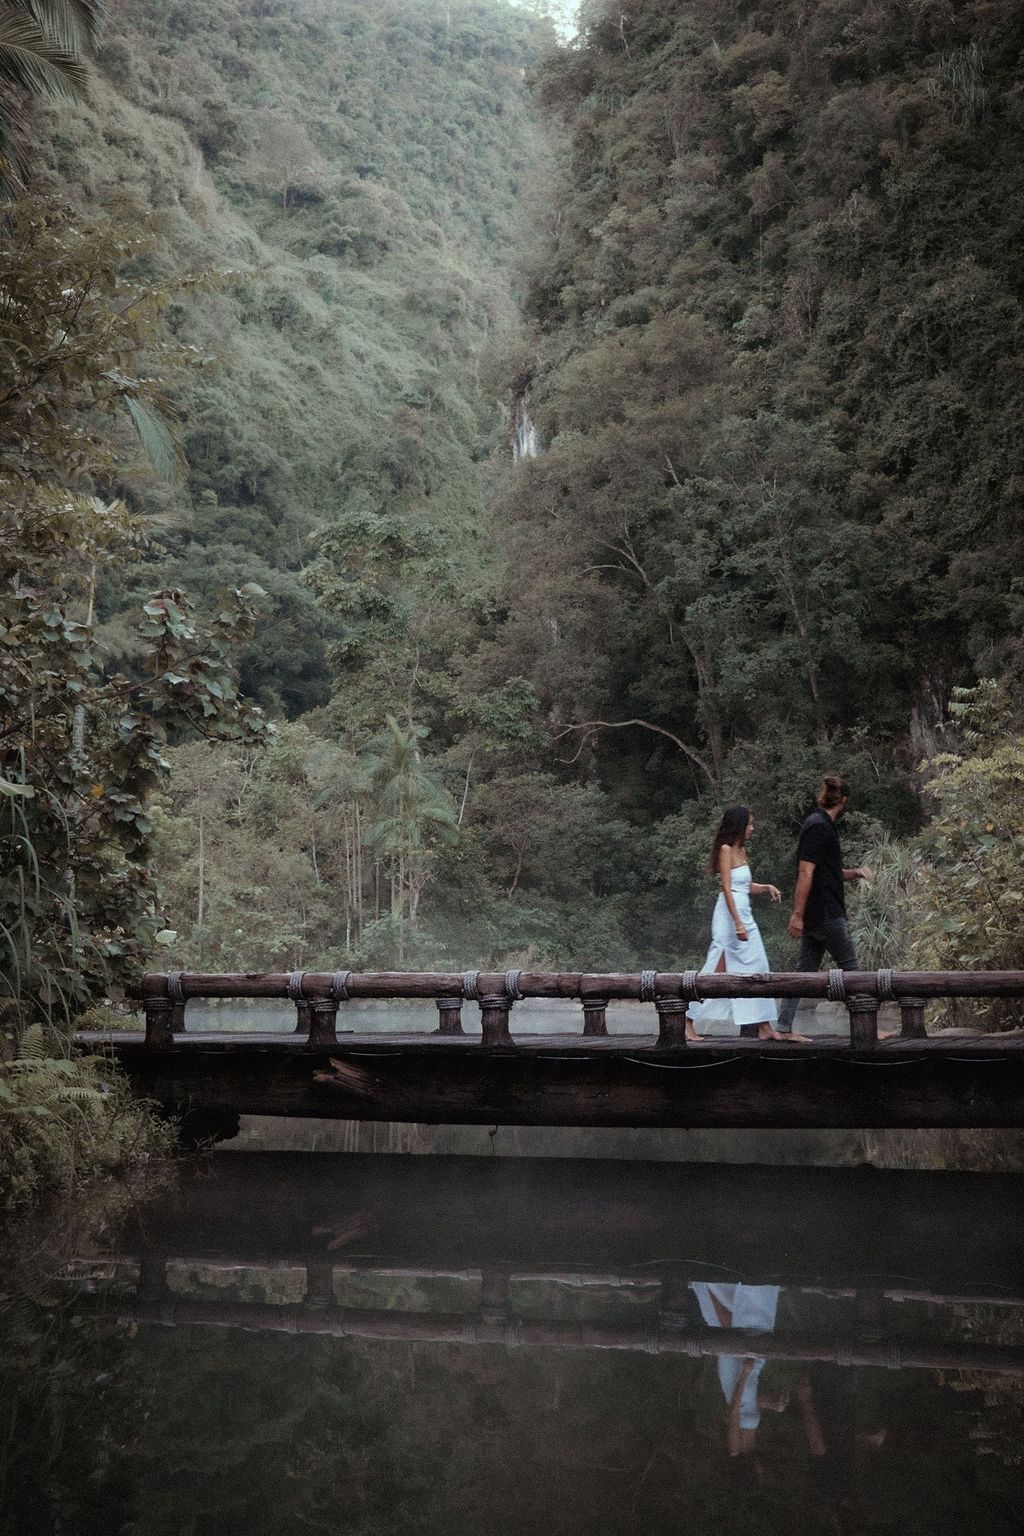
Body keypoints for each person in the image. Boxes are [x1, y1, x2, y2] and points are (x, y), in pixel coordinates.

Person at [686, 804, 805, 1042]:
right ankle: (686, 1020)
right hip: (729, 916)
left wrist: (766, 888)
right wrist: (738, 923)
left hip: (744, 913)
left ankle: (764, 1027)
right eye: (749, 824)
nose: (752, 828)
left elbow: (744, 886)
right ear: (739, 825)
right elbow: (728, 889)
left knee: (758, 965)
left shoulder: (742, 851)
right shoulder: (726, 849)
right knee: (715, 970)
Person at [776, 774, 872, 1036]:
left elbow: (829, 871)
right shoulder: (818, 826)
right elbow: (806, 871)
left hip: (818, 914)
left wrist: (857, 872)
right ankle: (867, 1031)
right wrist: (797, 914)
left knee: (803, 973)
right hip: (826, 913)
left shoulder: (821, 825)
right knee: (853, 972)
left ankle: (783, 1027)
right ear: (844, 800)